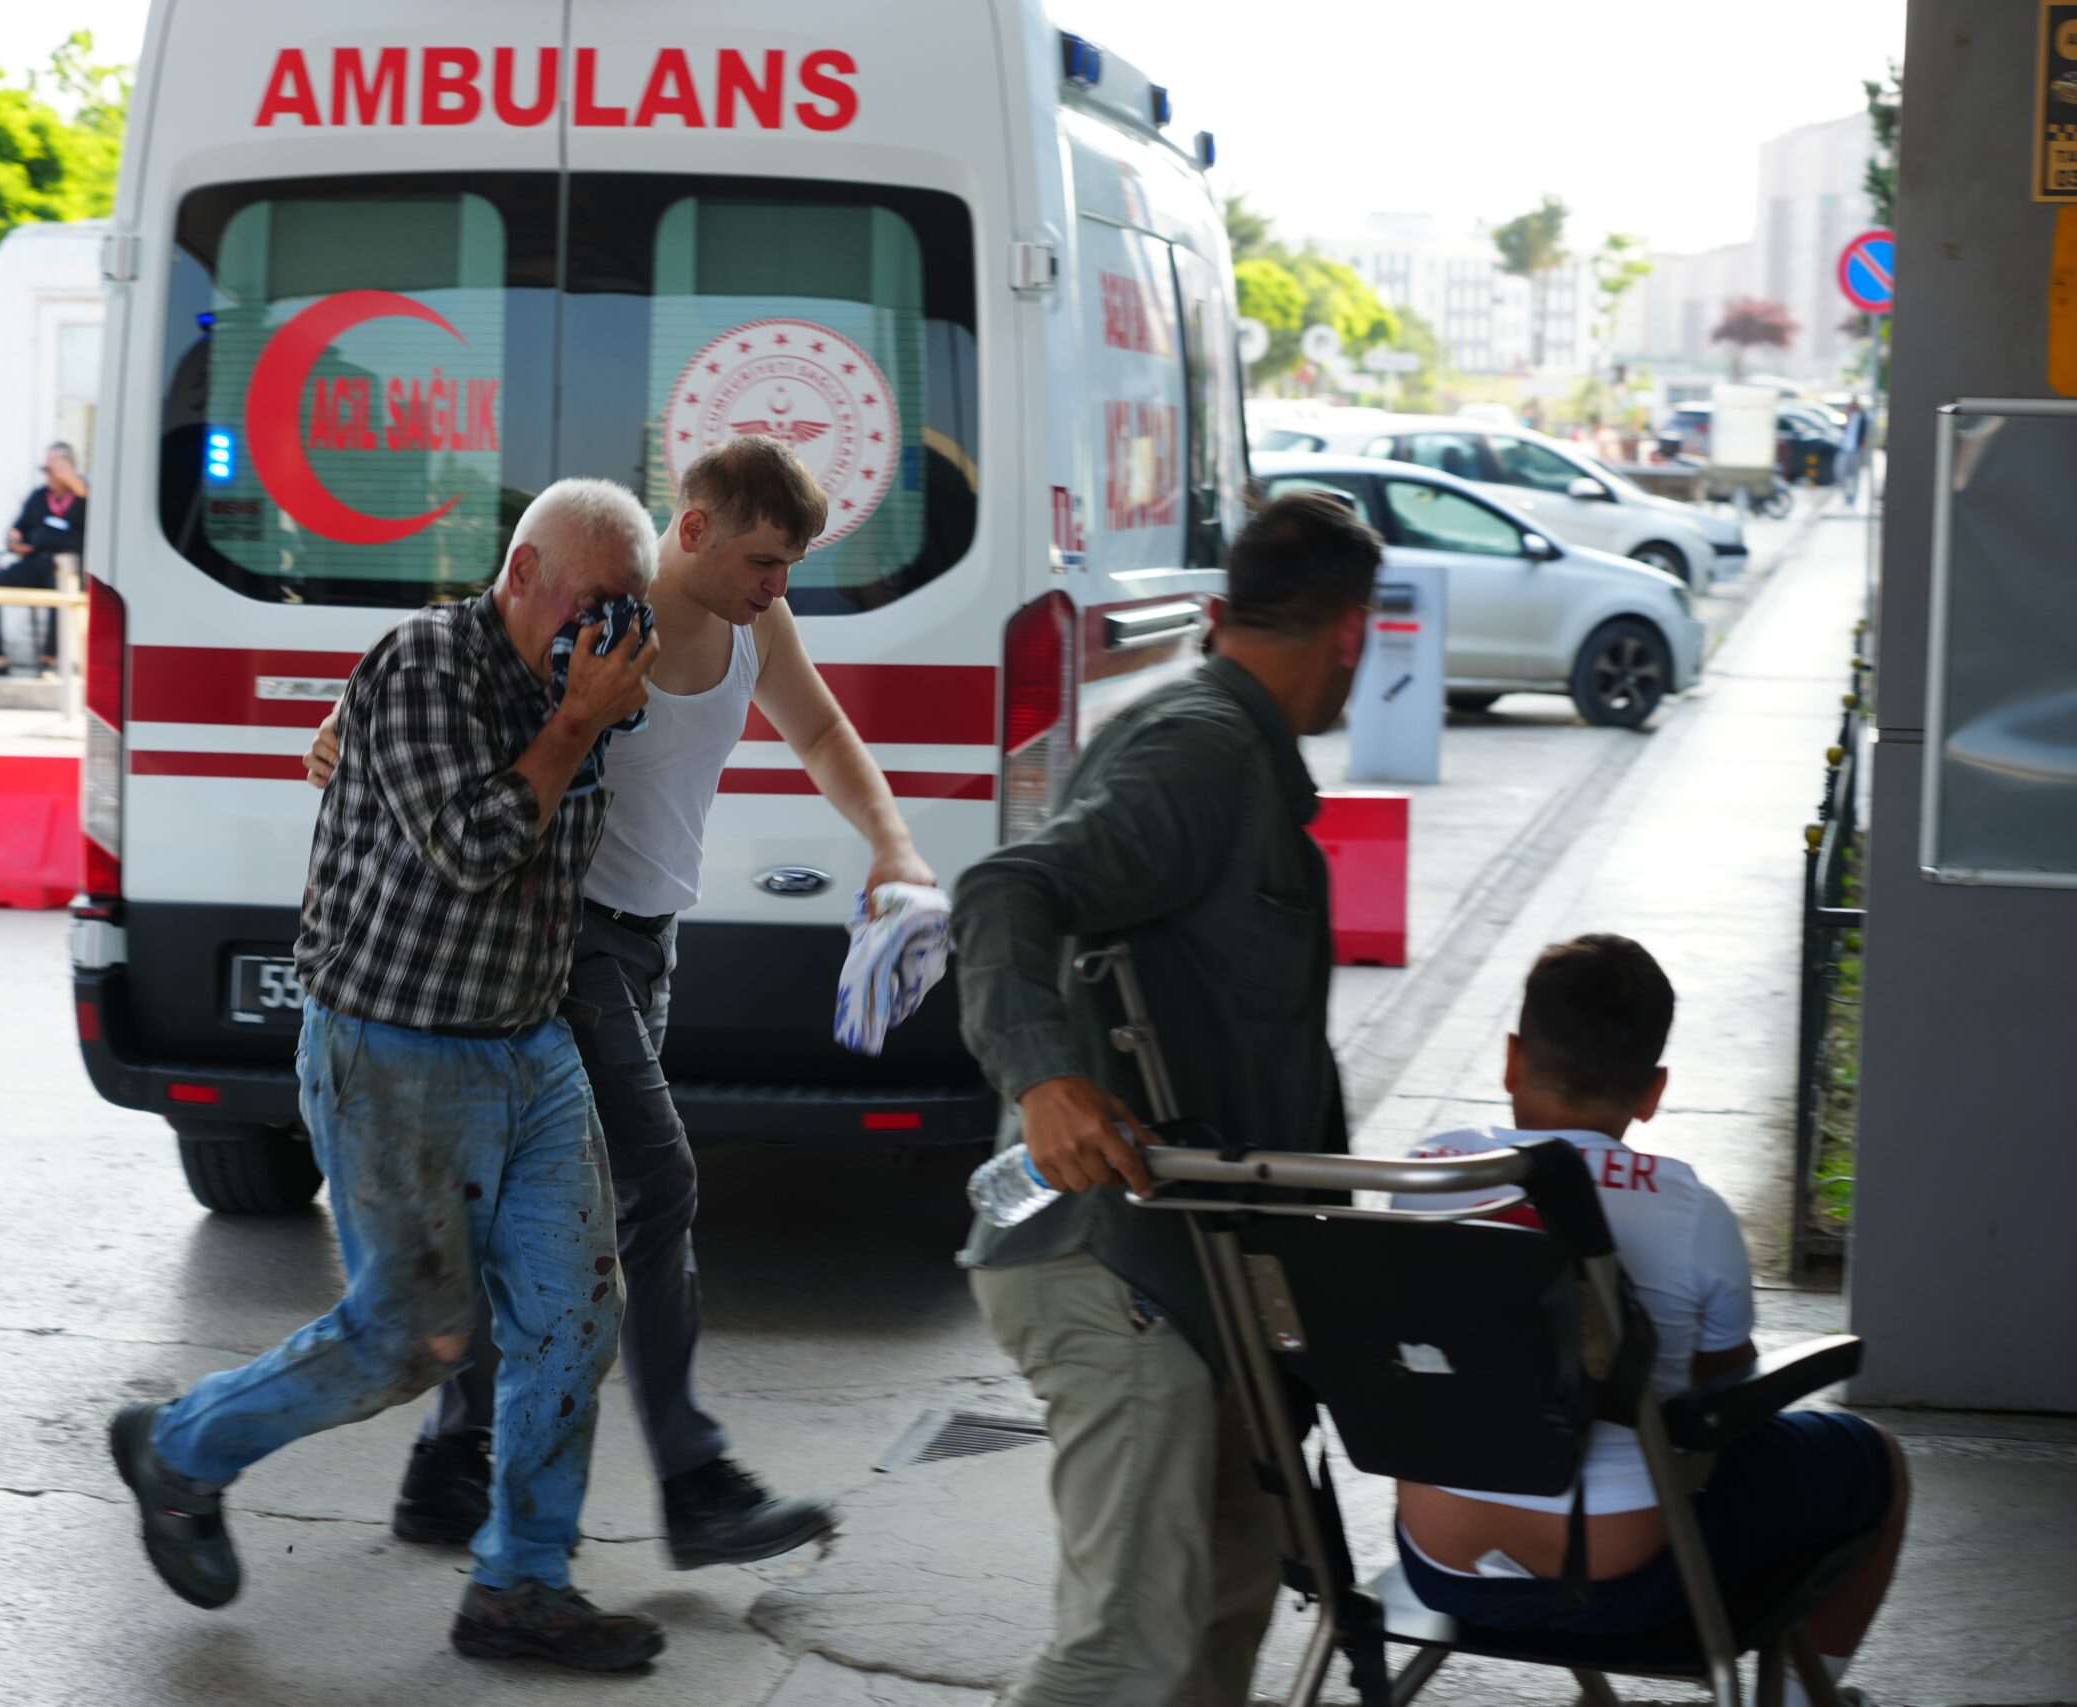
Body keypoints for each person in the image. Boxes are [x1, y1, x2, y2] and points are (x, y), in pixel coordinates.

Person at [307, 436, 937, 1568]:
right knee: (657, 1186)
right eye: (762, 560)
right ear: (693, 530)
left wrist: (893, 845)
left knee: (551, 1210)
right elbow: (476, 651)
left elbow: (820, 731)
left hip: (648, 944)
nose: (776, 587)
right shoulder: (610, 614)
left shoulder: (755, 625)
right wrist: (351, 724)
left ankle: (451, 1462)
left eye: (789, 567)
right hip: (570, 941)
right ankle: (691, 1479)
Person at [109, 478, 673, 1673]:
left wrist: (595, 700)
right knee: (413, 1337)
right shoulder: (425, 663)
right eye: (590, 601)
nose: (606, 630)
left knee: (575, 1320)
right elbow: (474, 846)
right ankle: (181, 1450)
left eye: (626, 608)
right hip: (392, 1048)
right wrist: (576, 721)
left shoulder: (589, 685)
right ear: (522, 574)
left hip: (529, 1045)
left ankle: (522, 1585)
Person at [952, 488, 1382, 1707]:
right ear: (1351, 632)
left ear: (1220, 609)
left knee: (1222, 1602)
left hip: (1207, 1284)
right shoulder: (1200, 749)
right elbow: (1005, 891)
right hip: (1117, 1267)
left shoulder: (1237, 755)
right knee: (1123, 1652)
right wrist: (1045, 1078)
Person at [1399, 935, 1908, 1707]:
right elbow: (1727, 1403)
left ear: (1512, 1059)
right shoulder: (1691, 1210)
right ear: (1653, 1090)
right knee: (1876, 1462)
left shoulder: (1426, 1173)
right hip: (1627, 1579)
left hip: (1441, 1564)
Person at [0, 442, 89, 676]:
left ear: (70, 466)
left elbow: (86, 497)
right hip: (35, 562)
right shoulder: (39, 497)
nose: (50, 473)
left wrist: (71, 479)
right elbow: (18, 528)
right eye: (47, 468)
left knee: (61, 589)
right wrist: (15, 540)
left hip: (67, 566)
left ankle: (49, 659)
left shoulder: (83, 496)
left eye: (56, 467)